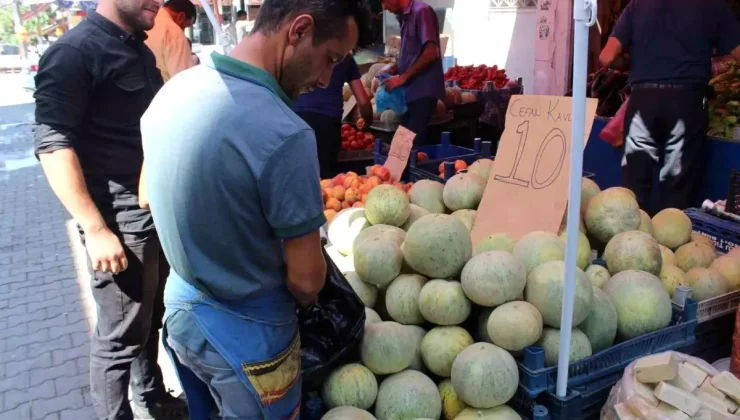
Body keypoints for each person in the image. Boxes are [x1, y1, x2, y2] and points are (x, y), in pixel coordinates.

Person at [140, 0, 371, 416]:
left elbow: (146, 194)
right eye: (329, 60)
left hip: (182, 319)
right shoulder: (285, 133)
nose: (324, 80)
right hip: (250, 344)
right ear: (299, 30)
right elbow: (304, 280)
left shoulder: (174, 91)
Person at [32, 0, 187, 418]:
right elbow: (52, 146)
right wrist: (95, 228)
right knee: (118, 340)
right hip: (119, 228)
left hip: (153, 217)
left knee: (149, 319)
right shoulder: (74, 53)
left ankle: (152, 398)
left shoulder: (137, 46)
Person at [599, 0, 740, 214]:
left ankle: (633, 241)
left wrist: (630, 63)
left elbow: (606, 57)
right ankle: (670, 243)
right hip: (686, 104)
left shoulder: (638, 5)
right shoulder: (712, 6)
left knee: (635, 191)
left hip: (643, 104)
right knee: (678, 190)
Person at [293, 54, 373, 178]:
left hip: (295, 119)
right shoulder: (344, 57)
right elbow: (363, 102)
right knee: (324, 181)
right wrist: (367, 122)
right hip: (327, 125)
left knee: (297, 176)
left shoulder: (301, 49)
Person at [379, 0, 444, 146]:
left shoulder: (422, 11)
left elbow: (431, 52)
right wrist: (395, 68)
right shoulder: (404, 16)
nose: (383, 7)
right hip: (410, 92)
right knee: (405, 144)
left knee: (410, 144)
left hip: (423, 91)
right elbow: (413, 54)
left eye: (383, 1)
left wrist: (403, 77)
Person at [145, 0, 197, 82]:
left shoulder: (147, 21)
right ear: (181, 17)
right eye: (185, 27)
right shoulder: (174, 33)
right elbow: (184, 81)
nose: (183, 32)